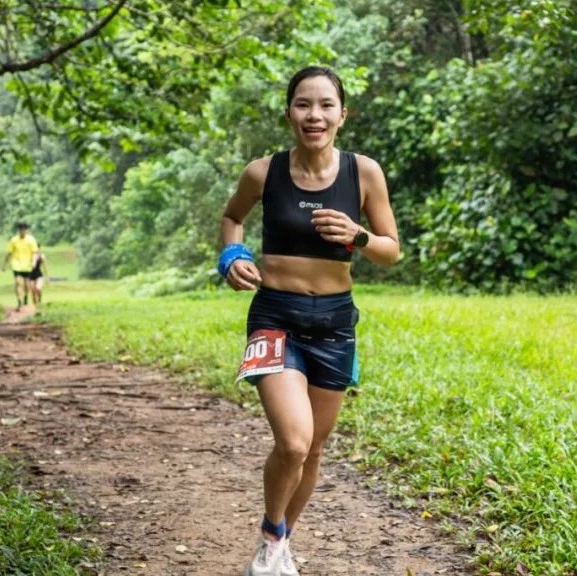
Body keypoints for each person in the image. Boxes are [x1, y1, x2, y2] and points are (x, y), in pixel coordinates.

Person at [218, 66, 400, 576]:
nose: (314, 115)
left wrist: (358, 235)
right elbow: (232, 217)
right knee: (294, 441)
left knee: (314, 448)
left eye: (325, 105)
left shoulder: (364, 173)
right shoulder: (263, 173)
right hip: (275, 317)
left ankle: (277, 543)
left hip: (336, 325)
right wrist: (231, 255)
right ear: (289, 113)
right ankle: (271, 538)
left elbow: (391, 250)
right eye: (303, 104)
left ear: (343, 115)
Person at [1, 222, 39, 311]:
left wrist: (34, 261)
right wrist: (4, 264)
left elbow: (35, 252)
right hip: (16, 264)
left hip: (27, 265)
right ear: (19, 230)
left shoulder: (31, 240)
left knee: (26, 284)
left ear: (26, 230)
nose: (22, 231)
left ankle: (25, 297)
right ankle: (19, 301)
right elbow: (9, 253)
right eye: (21, 229)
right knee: (18, 282)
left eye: (24, 229)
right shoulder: (14, 240)